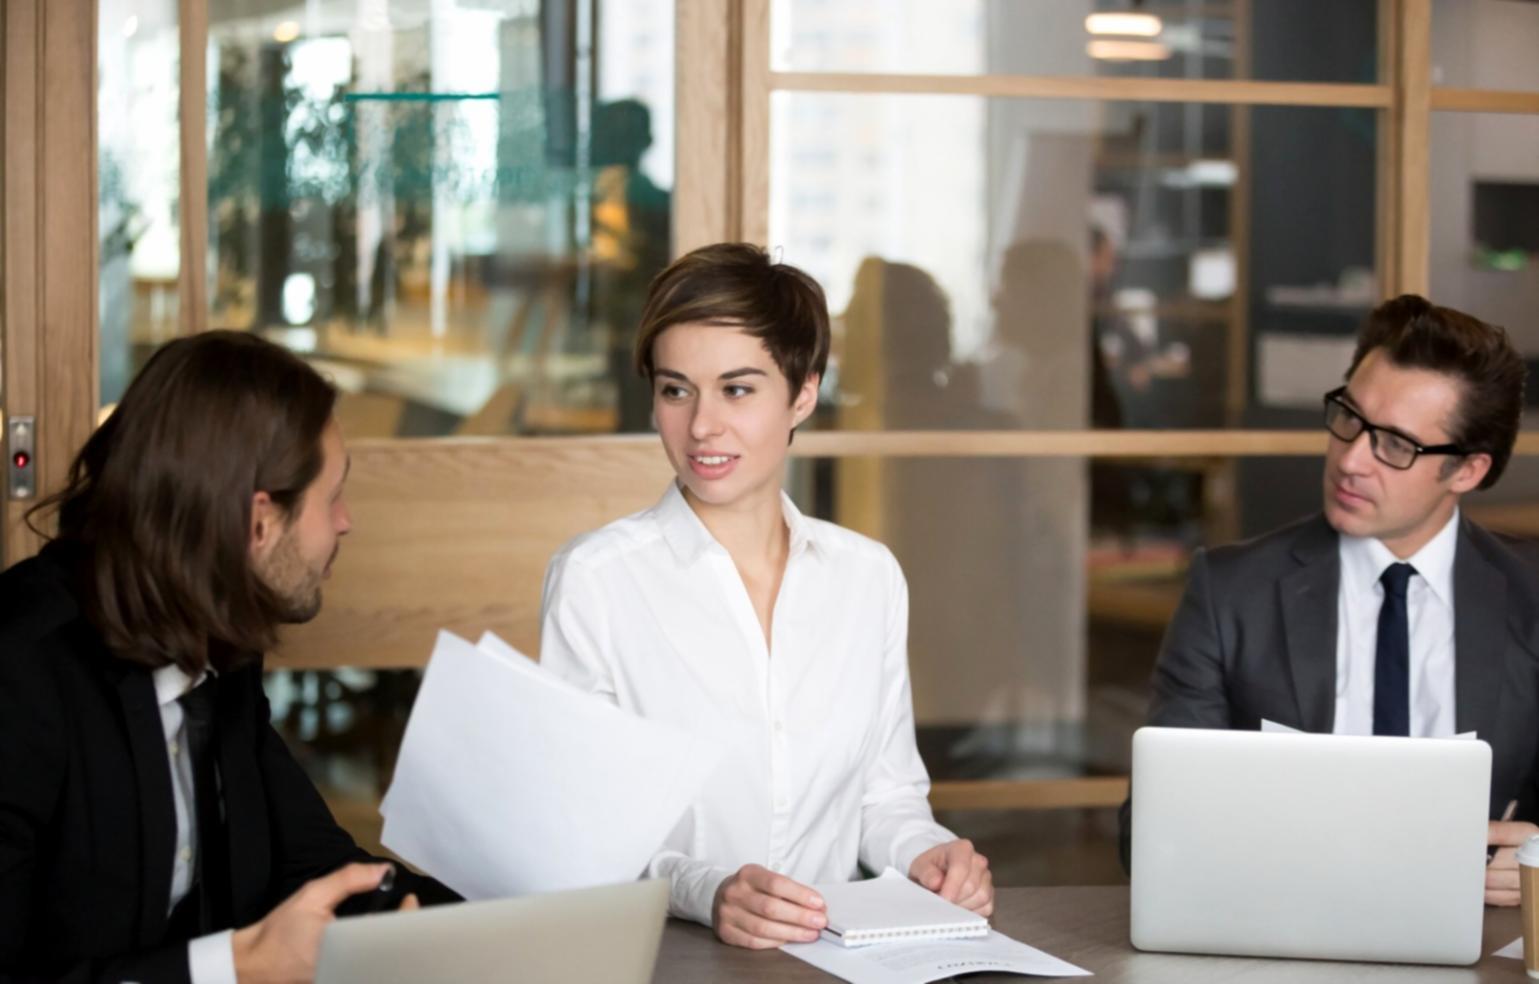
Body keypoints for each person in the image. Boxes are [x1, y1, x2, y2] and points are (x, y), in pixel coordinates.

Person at [539, 243, 994, 949]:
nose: (701, 427)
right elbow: (583, 830)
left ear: (803, 394)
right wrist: (707, 892)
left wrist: (926, 856)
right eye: (675, 389)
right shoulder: (596, 580)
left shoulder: (866, 577)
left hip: (837, 958)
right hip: (670, 957)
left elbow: (886, 796)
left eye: (738, 389)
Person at [0, 331, 456, 983]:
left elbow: (315, 864)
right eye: (332, 498)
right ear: (258, 523)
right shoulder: (21, 676)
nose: (346, 523)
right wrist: (236, 967)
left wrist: (505, 935)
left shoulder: (217, 642)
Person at [1120, 295, 1539, 906]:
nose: (1350, 459)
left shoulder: (1531, 596)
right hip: (1283, 927)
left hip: (1479, 934)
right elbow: (1146, 835)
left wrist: (1535, 858)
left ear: (1468, 471)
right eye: (1348, 417)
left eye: (1395, 445)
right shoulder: (1232, 591)